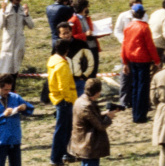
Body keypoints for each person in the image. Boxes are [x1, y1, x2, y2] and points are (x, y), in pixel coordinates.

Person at [121, 4, 161, 123]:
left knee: (135, 87)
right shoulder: (144, 27)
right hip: (143, 60)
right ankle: (141, 115)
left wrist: (125, 62)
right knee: (143, 88)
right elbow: (150, 46)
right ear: (143, 14)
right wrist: (157, 60)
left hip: (132, 59)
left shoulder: (128, 27)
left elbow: (124, 45)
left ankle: (136, 114)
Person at [69, 77, 119, 166]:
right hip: (89, 145)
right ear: (97, 92)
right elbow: (100, 126)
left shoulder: (80, 101)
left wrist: (105, 114)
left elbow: (90, 117)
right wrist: (109, 118)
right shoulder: (88, 105)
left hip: (82, 143)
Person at [49, 38, 78, 166]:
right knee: (62, 130)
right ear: (67, 50)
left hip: (58, 98)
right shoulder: (62, 65)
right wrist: (71, 100)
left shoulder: (53, 60)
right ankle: (55, 158)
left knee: (65, 129)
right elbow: (64, 86)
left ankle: (64, 153)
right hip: (65, 100)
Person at [0, 73, 33, 166]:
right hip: (1, 140)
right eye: (5, 89)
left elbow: (30, 109)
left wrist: (24, 107)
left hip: (14, 139)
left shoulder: (15, 97)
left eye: (9, 89)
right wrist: (3, 115)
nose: (7, 92)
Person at [0, 0, 33, 75]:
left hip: (19, 41)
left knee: (16, 67)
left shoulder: (23, 10)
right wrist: (3, 12)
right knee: (6, 67)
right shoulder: (5, 9)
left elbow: (31, 26)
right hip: (8, 42)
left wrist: (27, 15)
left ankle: (13, 88)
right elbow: (1, 25)